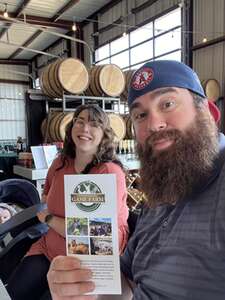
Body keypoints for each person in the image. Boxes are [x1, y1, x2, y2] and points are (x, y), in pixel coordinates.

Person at [47, 60, 225, 300]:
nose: (153, 124)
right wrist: (84, 286)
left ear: (209, 113)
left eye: (168, 103)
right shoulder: (163, 185)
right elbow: (128, 283)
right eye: (140, 115)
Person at [6, 104, 129, 300]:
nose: (85, 128)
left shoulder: (109, 172)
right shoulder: (60, 163)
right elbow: (46, 196)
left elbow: (95, 233)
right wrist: (53, 216)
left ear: (104, 134)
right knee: (12, 293)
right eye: (79, 122)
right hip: (49, 249)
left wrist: (49, 219)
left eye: (94, 124)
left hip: (90, 260)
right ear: (71, 128)